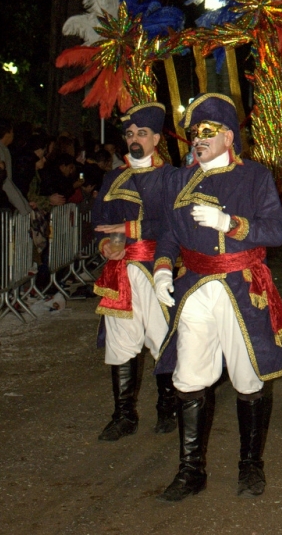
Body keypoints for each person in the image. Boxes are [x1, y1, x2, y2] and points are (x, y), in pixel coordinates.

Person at [153, 93, 282, 502]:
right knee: (189, 377)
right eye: (194, 132)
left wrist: (229, 223)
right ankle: (190, 469)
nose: (198, 139)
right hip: (195, 287)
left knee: (249, 379)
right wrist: (163, 265)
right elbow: (167, 231)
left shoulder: (255, 176)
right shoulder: (178, 179)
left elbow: (275, 232)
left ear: (229, 136)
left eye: (207, 132)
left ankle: (250, 466)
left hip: (240, 287)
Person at [92, 102, 177, 442]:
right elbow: (100, 222)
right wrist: (107, 245)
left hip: (158, 268)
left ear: (156, 138)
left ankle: (167, 406)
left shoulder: (171, 177)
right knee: (121, 343)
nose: (134, 139)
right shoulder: (113, 178)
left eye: (142, 133)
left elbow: (174, 225)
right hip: (120, 273)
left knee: (163, 338)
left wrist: (128, 230)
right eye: (129, 134)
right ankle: (123, 414)